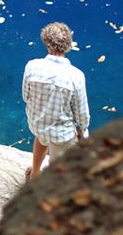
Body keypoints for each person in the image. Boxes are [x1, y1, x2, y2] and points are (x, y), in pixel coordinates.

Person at [22, 22, 90, 179]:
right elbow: (81, 115)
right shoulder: (75, 75)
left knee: (42, 138)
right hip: (62, 134)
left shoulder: (32, 66)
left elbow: (26, 96)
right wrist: (82, 132)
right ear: (68, 45)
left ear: (46, 42)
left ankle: (35, 172)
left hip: (38, 124)